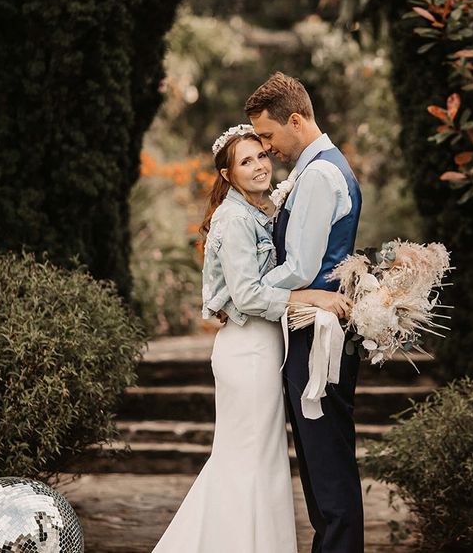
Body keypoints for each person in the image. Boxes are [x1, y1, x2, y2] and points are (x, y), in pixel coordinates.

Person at [151, 124, 349, 553]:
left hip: (262, 348)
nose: (260, 165)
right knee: (247, 463)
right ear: (227, 175)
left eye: (261, 155)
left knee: (258, 462)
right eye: (246, 161)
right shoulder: (235, 218)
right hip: (248, 351)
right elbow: (247, 295)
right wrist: (310, 295)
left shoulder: (259, 212)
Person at [245, 72, 364, 553]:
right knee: (322, 468)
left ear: (296, 120)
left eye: (269, 136)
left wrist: (247, 289)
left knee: (328, 471)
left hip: (318, 338)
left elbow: (301, 267)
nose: (266, 147)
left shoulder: (318, 175)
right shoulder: (321, 168)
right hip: (317, 331)